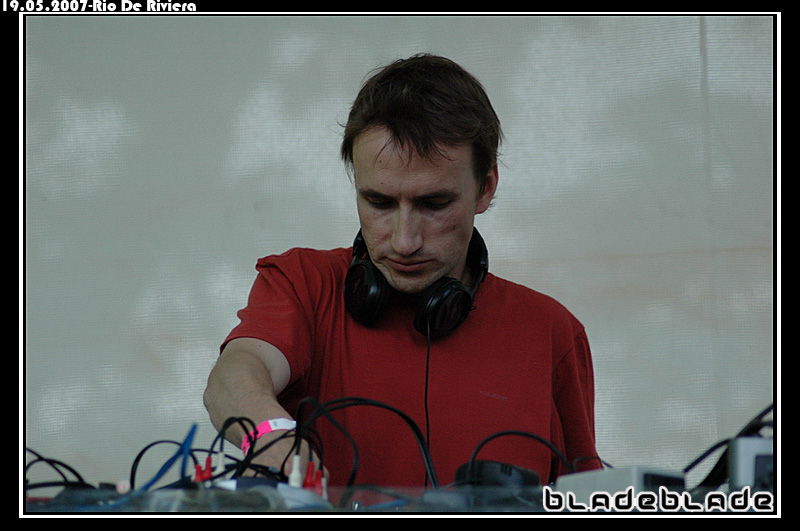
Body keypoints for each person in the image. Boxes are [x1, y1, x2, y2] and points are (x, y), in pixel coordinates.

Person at [204, 53, 600, 492]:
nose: (404, 241)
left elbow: (584, 498)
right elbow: (235, 375)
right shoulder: (303, 283)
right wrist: (270, 434)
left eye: (434, 204)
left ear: (485, 187)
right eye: (379, 203)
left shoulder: (552, 334)